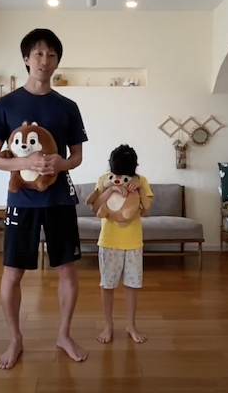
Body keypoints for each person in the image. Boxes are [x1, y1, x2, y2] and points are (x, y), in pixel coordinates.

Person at [0, 28, 89, 369]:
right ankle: (15, 339)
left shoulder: (68, 107)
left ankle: (64, 335)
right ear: (27, 59)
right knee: (13, 273)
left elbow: (77, 156)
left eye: (52, 55)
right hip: (22, 203)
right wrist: (24, 163)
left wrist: (61, 163)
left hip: (60, 200)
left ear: (57, 62)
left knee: (67, 271)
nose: (45, 60)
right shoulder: (5, 105)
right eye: (39, 54)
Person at [92, 145, 153, 344]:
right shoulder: (105, 179)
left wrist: (140, 189)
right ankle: (108, 326)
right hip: (109, 241)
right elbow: (95, 206)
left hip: (133, 242)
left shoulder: (141, 180)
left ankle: (131, 325)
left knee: (132, 285)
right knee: (107, 284)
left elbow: (146, 211)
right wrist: (110, 189)